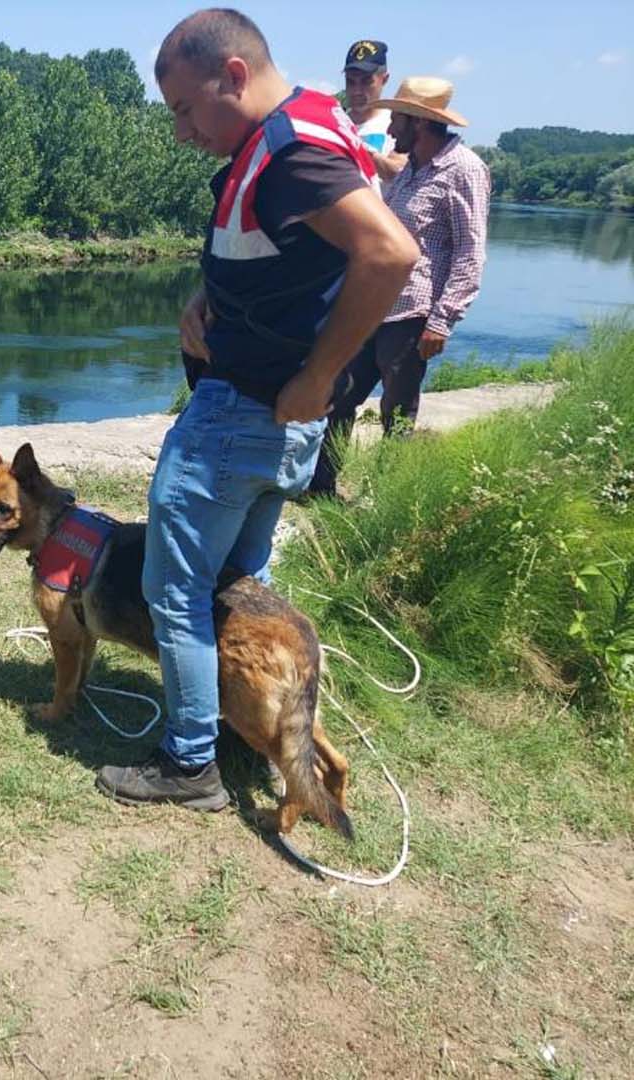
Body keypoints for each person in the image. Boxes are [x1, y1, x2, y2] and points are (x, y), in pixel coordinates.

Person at [95, 9, 417, 810]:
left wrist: (320, 376)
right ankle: (256, 730)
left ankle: (189, 763)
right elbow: (297, 263)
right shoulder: (303, 127)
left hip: (242, 418)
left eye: (182, 108)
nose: (180, 131)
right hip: (266, 424)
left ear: (232, 77)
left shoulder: (289, 153)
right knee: (241, 584)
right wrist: (210, 299)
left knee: (176, 591)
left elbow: (389, 255)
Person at [308, 77, 491, 499]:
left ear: (420, 123)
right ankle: (321, 489)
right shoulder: (411, 169)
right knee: (339, 394)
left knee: (398, 414)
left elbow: (470, 251)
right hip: (375, 307)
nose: (390, 130)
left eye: (397, 121)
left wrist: (442, 322)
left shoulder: (464, 169)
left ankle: (388, 500)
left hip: (413, 315)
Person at [342, 39, 406, 186]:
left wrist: (360, 150)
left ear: (385, 79)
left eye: (366, 82)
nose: (357, 91)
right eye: (350, 82)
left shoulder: (396, 124)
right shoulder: (336, 124)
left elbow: (400, 173)